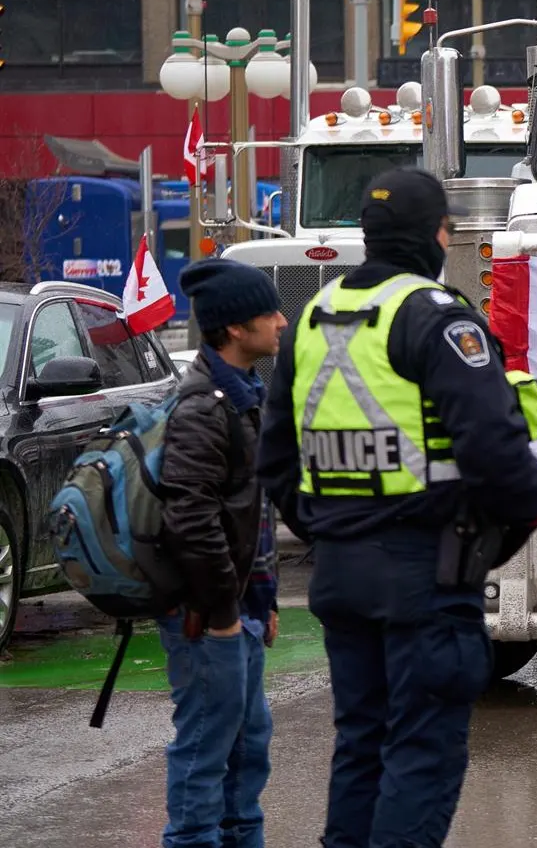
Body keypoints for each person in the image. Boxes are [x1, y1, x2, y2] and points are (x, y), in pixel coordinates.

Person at [257, 168, 537, 848]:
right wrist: (513, 524)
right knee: (422, 752)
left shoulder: (311, 318)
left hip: (341, 572)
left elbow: (274, 460)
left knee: (361, 746)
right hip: (427, 574)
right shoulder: (438, 318)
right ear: (437, 235)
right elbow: (496, 451)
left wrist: (329, 529)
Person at [157, 258, 287, 848]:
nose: (283, 322)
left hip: (241, 611)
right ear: (234, 328)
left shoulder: (245, 396)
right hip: (207, 617)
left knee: (248, 747)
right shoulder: (202, 408)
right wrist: (225, 617)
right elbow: (191, 519)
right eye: (269, 312)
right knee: (208, 748)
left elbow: (253, 516)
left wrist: (265, 600)